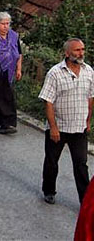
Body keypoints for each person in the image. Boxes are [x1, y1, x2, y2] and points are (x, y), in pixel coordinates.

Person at [39, 38, 93, 205]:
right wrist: (53, 127)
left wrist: (88, 121)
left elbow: (91, 98)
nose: (81, 53)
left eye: (82, 49)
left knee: (81, 165)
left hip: (79, 127)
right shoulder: (55, 73)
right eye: (77, 50)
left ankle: (84, 201)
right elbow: (48, 101)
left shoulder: (89, 71)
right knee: (51, 161)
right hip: (59, 127)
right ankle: (48, 190)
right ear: (67, 53)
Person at [0, 12, 22, 134]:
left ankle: (8, 123)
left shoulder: (13, 36)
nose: (6, 26)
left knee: (7, 96)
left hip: (9, 71)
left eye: (8, 23)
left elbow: (19, 53)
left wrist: (18, 69)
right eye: (3, 24)